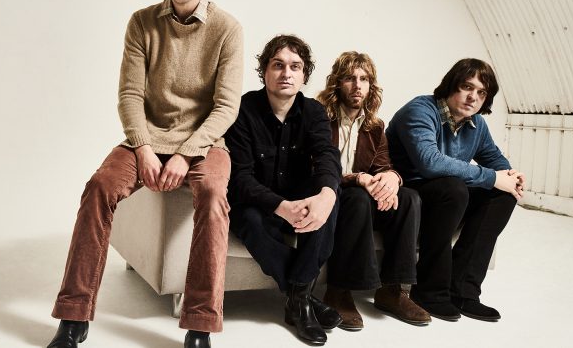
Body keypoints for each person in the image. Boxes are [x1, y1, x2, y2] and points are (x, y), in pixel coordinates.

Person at [47, 0, 243, 348]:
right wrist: (144, 148)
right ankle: (73, 316)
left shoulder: (227, 29)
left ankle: (200, 324)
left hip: (206, 143)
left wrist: (186, 154)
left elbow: (226, 107)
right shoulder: (142, 22)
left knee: (212, 196)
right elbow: (130, 95)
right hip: (148, 138)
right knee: (99, 187)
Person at [386, 58, 525, 323]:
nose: (473, 97)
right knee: (454, 189)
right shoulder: (420, 110)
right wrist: (492, 177)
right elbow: (430, 163)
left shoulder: (476, 124)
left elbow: (494, 160)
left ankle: (462, 291)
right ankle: (428, 291)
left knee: (503, 194)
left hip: (448, 194)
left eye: (481, 92)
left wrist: (511, 176)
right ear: (451, 85)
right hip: (408, 194)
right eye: (467, 87)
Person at [225, 35, 343, 345]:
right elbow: (240, 178)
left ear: (304, 75)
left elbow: (327, 155)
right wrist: (281, 206)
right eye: (278, 65)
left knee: (328, 194)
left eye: (295, 66)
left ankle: (298, 299)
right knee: (248, 219)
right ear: (264, 71)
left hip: (299, 202)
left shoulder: (314, 112)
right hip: (257, 203)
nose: (286, 73)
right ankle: (302, 299)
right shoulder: (242, 110)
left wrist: (327, 195)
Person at [316, 52, 430, 330]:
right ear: (337, 83)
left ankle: (392, 291)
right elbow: (314, 168)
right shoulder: (318, 117)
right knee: (356, 197)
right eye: (350, 78)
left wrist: (392, 178)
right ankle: (338, 291)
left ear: (371, 85)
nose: (357, 85)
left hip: (363, 201)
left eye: (364, 79)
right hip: (329, 198)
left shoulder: (375, 126)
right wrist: (358, 178)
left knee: (409, 198)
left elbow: (383, 165)